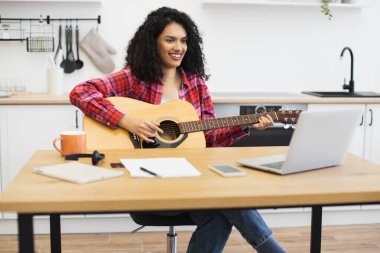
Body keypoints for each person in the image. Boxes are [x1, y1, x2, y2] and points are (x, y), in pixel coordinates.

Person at [70, 6, 286, 253]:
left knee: (220, 208)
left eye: (183, 41)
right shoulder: (133, 78)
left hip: (192, 181)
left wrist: (244, 124)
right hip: (146, 184)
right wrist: (126, 120)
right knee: (226, 194)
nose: (178, 47)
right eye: (170, 40)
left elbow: (209, 139)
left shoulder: (195, 83)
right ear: (153, 43)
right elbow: (80, 92)